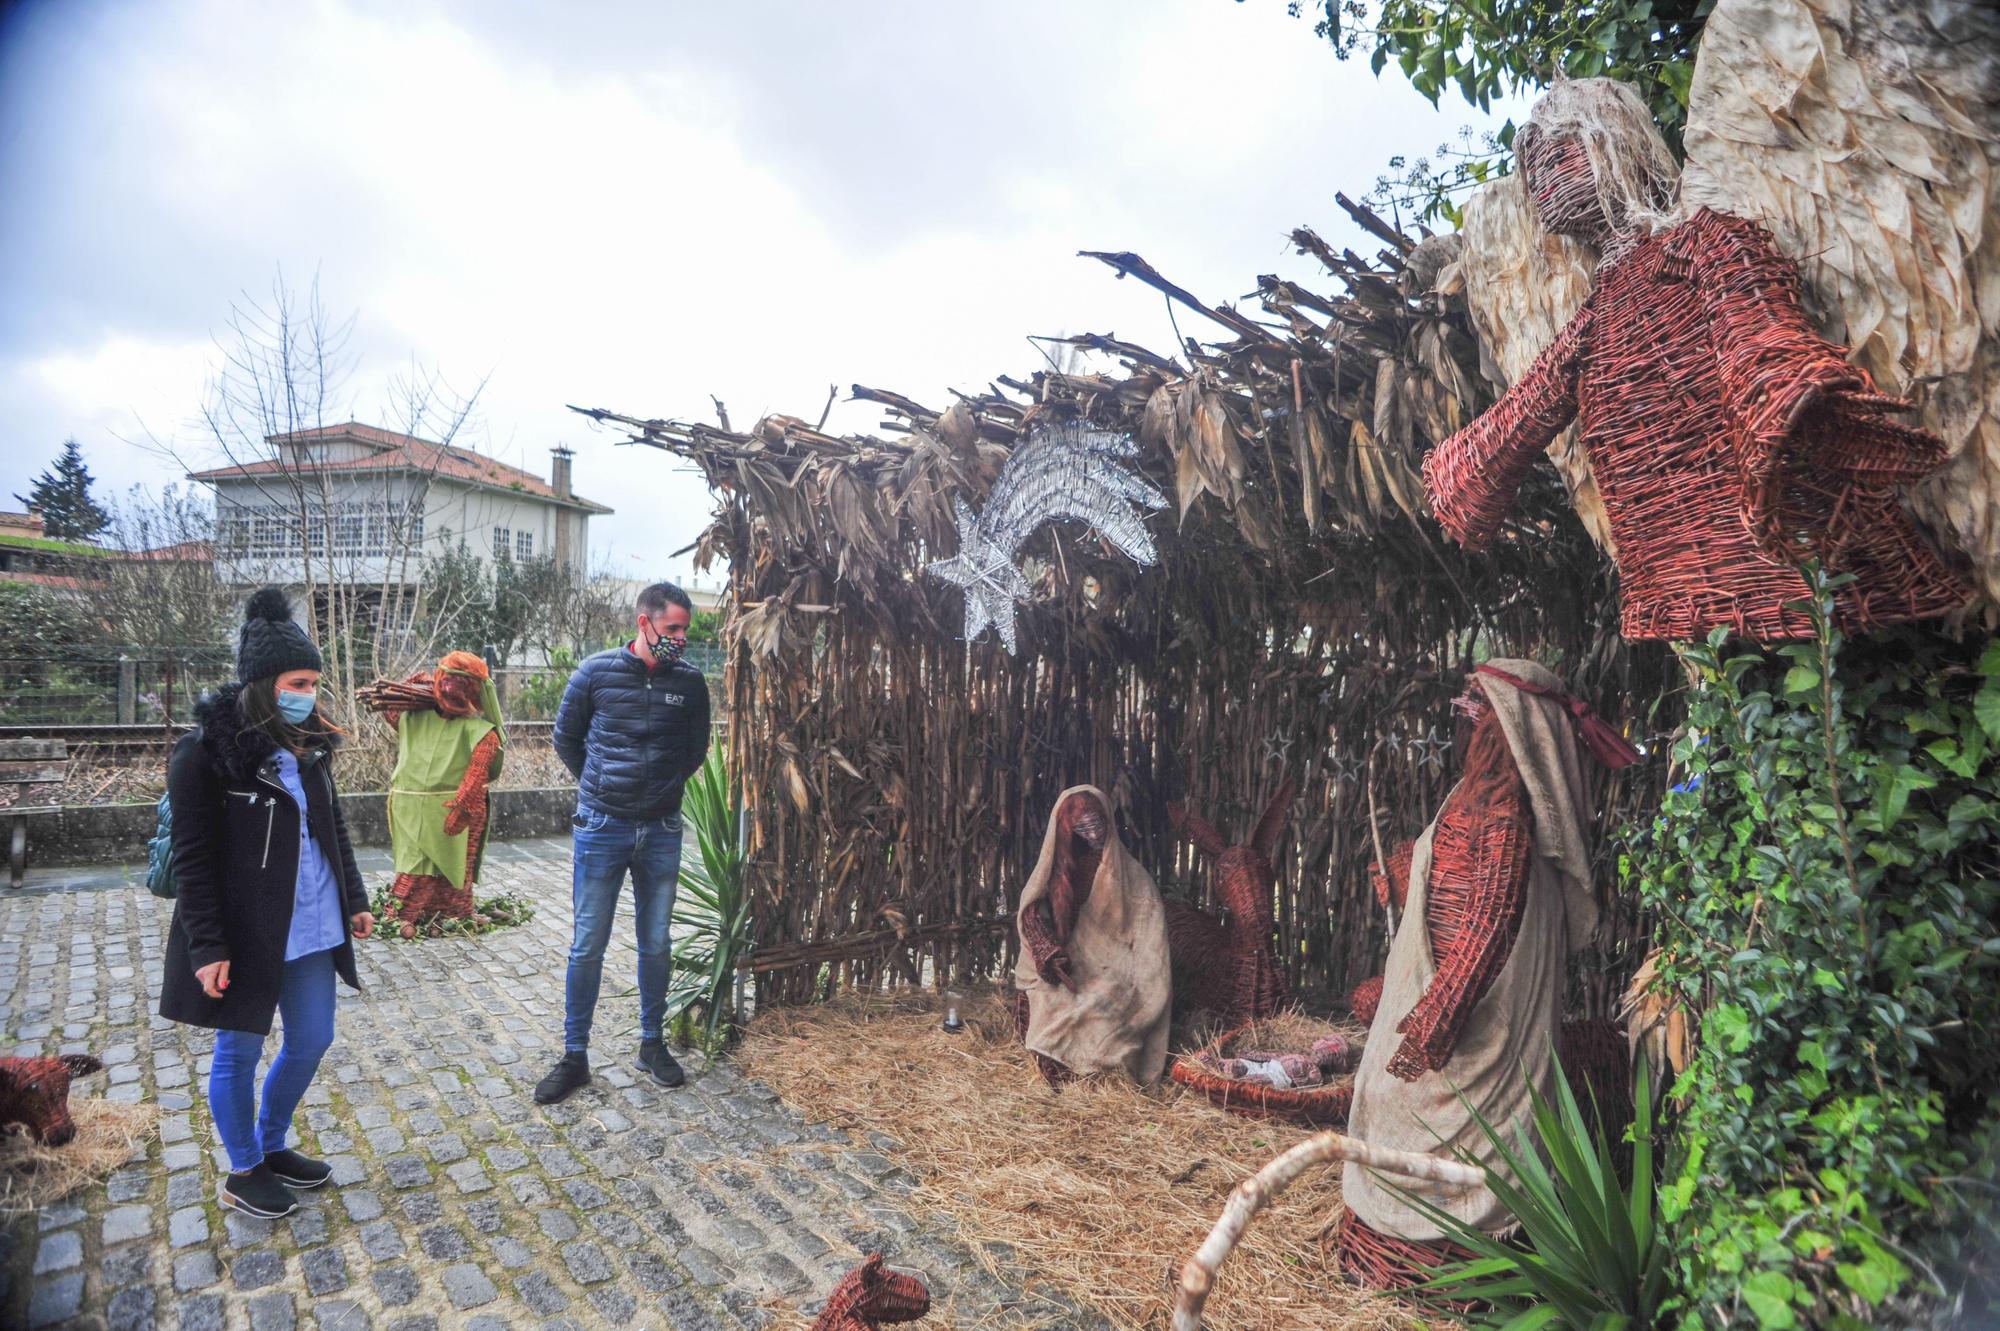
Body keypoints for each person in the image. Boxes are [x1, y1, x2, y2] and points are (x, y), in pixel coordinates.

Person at [158, 588, 375, 1219]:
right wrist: (207, 946)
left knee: (311, 1038)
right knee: (239, 1053)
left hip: (313, 922)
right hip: (246, 933)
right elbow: (193, 858)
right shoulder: (204, 755)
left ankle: (274, 1143)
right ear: (262, 684)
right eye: (299, 680)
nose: (310, 691)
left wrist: (355, 899)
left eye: (313, 681)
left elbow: (331, 829)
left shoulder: (309, 748)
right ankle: (244, 1168)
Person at [537, 581, 711, 1103]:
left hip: (661, 829)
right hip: (601, 827)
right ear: (644, 623)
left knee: (656, 941)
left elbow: (694, 749)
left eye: (685, 630)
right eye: (672, 628)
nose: (680, 638)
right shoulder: (594, 673)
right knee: (587, 943)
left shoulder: (691, 683)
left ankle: (652, 1045)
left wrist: (660, 789)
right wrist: (601, 786)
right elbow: (566, 739)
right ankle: (574, 1056)